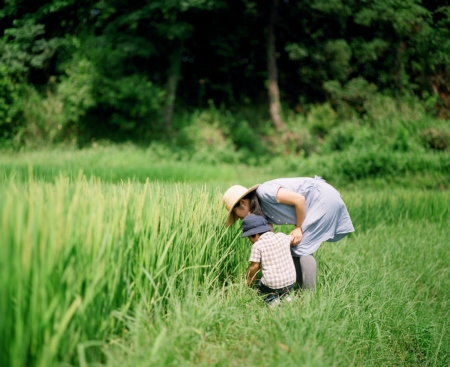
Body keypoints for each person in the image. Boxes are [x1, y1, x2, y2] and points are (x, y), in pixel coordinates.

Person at [223, 176, 355, 290]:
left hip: (322, 199)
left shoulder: (264, 192)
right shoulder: (260, 214)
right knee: (295, 248)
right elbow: (268, 242)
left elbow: (299, 199)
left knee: (302, 248)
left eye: (238, 216)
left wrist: (298, 227)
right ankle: (298, 290)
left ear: (243, 202)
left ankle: (309, 296)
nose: (241, 220)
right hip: (318, 202)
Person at [242, 213, 296, 306]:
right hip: (290, 281)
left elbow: (254, 267)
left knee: (259, 285)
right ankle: (286, 296)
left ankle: (271, 300)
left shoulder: (257, 246)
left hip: (272, 285)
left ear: (254, 234)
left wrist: (248, 281)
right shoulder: (282, 236)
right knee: (283, 287)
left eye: (249, 238)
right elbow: (293, 239)